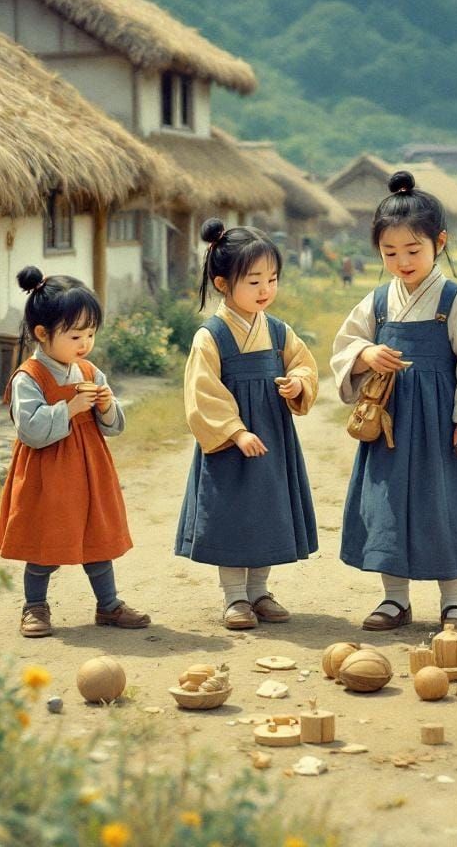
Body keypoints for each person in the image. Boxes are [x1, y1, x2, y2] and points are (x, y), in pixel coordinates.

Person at [331, 171, 457, 632]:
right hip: (390, 423)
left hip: (441, 424)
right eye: (390, 252)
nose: (402, 261)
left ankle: (453, 600)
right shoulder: (378, 301)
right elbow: (345, 345)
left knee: (445, 504)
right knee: (387, 507)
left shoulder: (456, 300)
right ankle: (394, 599)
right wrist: (365, 353)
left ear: (439, 242)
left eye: (413, 250)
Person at [176, 219, 319, 629]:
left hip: (272, 436)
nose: (265, 290)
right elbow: (202, 392)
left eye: (272, 279)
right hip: (230, 445)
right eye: (253, 280)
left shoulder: (277, 330)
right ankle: (235, 597)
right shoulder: (212, 335)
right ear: (222, 283)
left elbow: (304, 366)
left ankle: (260, 590)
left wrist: (298, 385)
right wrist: (235, 431)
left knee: (269, 510)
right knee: (232, 513)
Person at [0, 266, 150, 638]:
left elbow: (114, 427)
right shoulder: (28, 377)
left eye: (91, 333)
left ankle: (108, 605)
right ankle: (34, 606)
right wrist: (71, 409)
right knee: (45, 537)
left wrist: (107, 406)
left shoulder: (88, 371)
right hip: (47, 472)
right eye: (76, 334)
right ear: (42, 333)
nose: (85, 343)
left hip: (89, 467)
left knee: (97, 534)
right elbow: (30, 430)